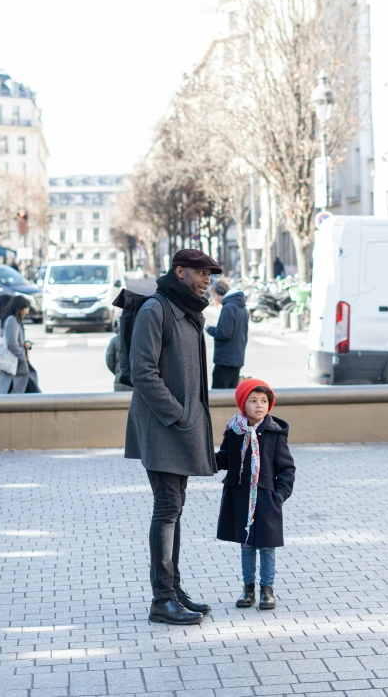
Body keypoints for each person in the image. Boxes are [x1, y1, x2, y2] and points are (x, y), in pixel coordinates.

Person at [125, 248, 223, 625]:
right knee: (167, 508)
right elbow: (142, 371)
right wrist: (178, 414)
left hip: (180, 428)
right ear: (179, 272)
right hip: (162, 428)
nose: (206, 280)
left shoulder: (189, 311)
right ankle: (161, 599)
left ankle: (174, 590)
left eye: (210, 275)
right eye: (201, 273)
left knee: (174, 508)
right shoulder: (156, 310)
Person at [215, 378, 296, 611]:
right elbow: (225, 458)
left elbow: (287, 469)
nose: (259, 405)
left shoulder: (274, 434)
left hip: (266, 499)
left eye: (263, 401)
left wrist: (278, 496)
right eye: (253, 401)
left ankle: (267, 590)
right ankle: (248, 589)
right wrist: (203, 458)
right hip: (241, 497)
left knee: (267, 546)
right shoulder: (234, 432)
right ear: (243, 405)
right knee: (246, 544)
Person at [207, 279, 249, 389]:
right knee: (231, 396)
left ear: (220, 293)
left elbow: (224, 333)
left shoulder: (228, 308)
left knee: (219, 396)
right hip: (237, 358)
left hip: (225, 359)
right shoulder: (242, 307)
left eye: (214, 295)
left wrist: (209, 329)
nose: (214, 299)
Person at [0, 295, 33, 394]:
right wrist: (22, 356)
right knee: (14, 387)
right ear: (20, 308)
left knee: (16, 385)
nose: (27, 311)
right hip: (14, 360)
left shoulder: (14, 320)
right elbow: (11, 342)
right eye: (26, 308)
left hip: (16, 360)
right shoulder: (12, 320)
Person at [105, 319, 130, 392]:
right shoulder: (138, 338)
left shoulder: (114, 340)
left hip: (119, 380)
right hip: (135, 382)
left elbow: (109, 360)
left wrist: (117, 372)